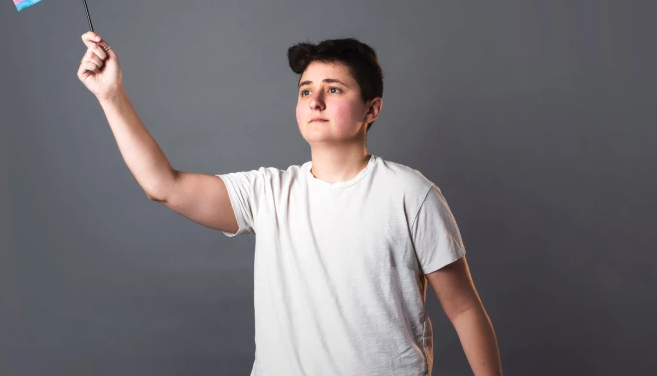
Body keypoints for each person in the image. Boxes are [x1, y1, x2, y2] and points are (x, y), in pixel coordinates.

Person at [77, 32, 503, 376]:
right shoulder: (269, 193)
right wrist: (110, 95)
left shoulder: (411, 194)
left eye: (333, 89)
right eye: (305, 91)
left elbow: (464, 309)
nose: (314, 102)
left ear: (371, 109)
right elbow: (163, 185)